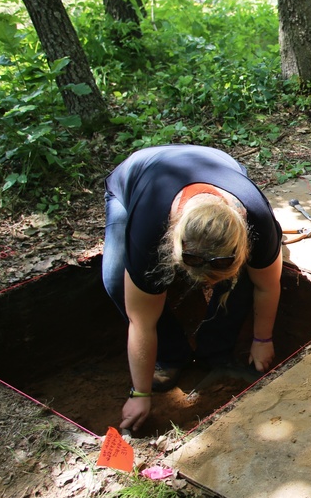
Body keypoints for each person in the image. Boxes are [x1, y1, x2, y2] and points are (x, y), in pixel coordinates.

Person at [103, 145, 282, 431]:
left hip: (220, 167)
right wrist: (140, 393)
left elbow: (268, 284)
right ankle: (170, 355)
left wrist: (262, 340)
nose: (207, 286)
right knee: (115, 279)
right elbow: (141, 321)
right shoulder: (149, 228)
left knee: (247, 278)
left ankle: (216, 350)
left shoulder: (258, 218)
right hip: (137, 179)